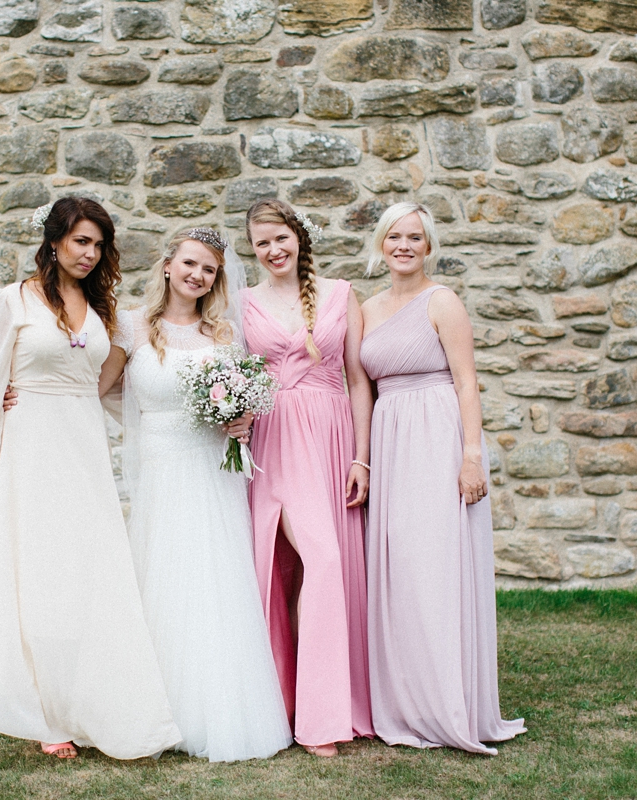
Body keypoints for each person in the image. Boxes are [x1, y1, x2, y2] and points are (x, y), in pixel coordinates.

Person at [0, 196, 181, 761]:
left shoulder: (104, 310)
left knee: (91, 574)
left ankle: (94, 699)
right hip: (30, 447)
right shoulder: (10, 301)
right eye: (81, 241)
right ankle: (45, 713)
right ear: (56, 240)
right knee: (39, 575)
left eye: (99, 244)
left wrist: (174, 426)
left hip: (84, 451)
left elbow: (109, 390)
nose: (89, 253)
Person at [100, 227, 292, 762]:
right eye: (189, 263)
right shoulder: (133, 326)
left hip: (211, 471)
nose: (197, 275)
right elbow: (101, 388)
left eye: (208, 269)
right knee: (162, 577)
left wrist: (240, 419)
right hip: (161, 469)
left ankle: (217, 713)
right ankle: (151, 713)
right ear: (167, 265)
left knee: (213, 582)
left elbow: (246, 398)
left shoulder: (224, 334)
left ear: (216, 278)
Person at [359, 201, 526, 755]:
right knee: (399, 568)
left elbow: (467, 383)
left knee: (437, 567)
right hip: (390, 440)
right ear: (381, 244)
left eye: (415, 237)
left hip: (436, 437)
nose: (404, 245)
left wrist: (472, 455)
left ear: (428, 246)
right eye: (394, 236)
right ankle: (407, 703)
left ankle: (450, 703)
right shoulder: (367, 308)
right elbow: (360, 387)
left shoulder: (442, 301)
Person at [234, 199, 374, 757]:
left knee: (324, 565)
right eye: (261, 242)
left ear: (299, 237)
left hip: (332, 436)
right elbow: (220, 364)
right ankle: (300, 714)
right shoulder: (241, 302)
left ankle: (320, 705)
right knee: (294, 563)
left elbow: (360, 380)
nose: (273, 250)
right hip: (273, 439)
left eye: (280, 238)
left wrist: (362, 457)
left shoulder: (341, 294)